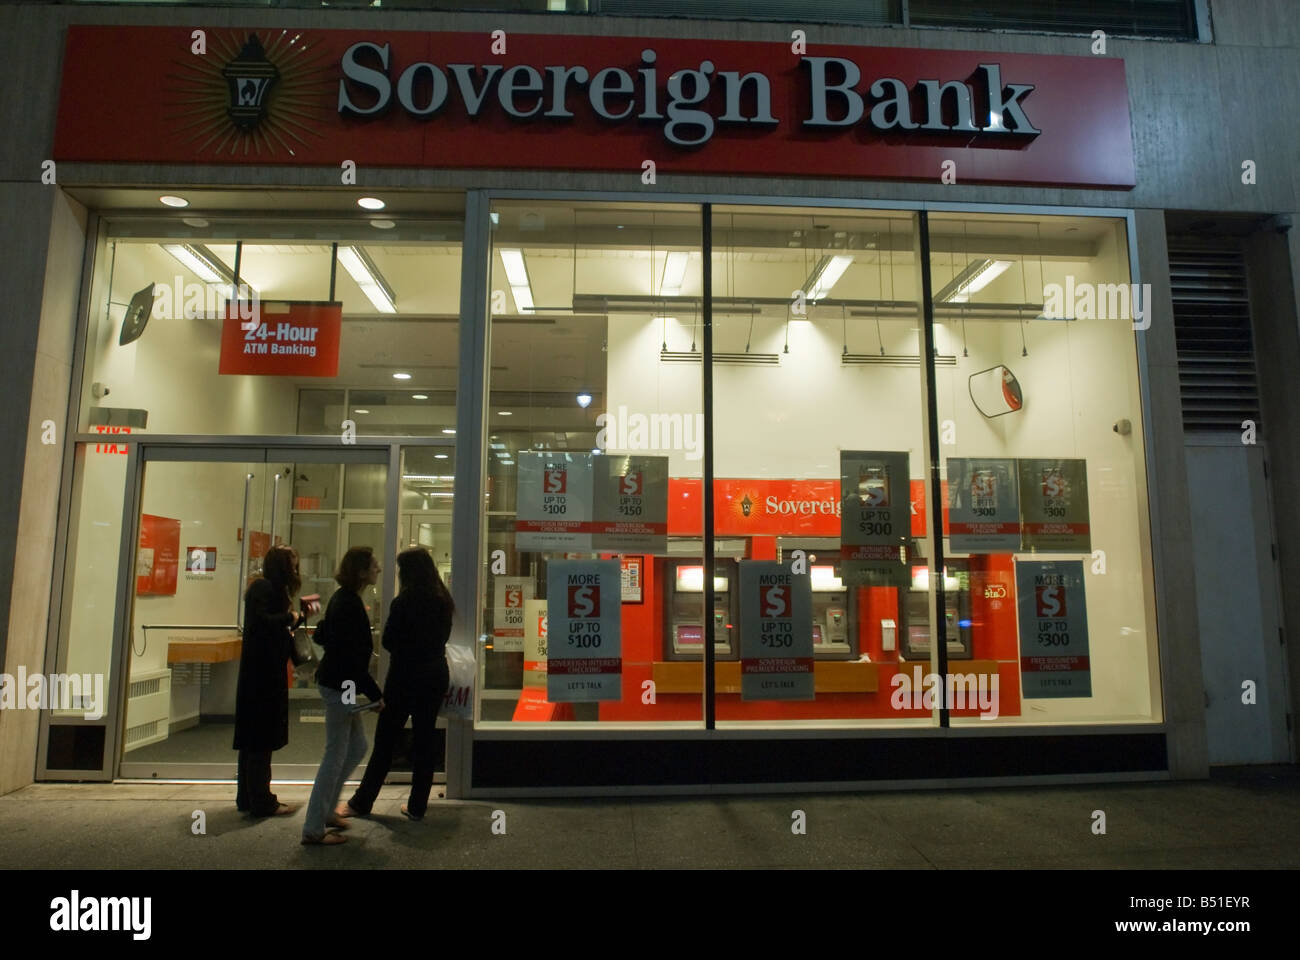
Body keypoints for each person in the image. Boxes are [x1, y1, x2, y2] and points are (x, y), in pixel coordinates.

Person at [340, 547, 453, 822]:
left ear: (409, 573)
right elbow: (443, 637)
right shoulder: (443, 600)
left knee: (386, 741)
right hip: (435, 674)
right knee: (425, 740)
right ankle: (417, 807)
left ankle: (362, 801)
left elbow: (389, 641)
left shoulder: (403, 603)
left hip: (405, 677)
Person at [301, 546, 384, 846]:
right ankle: (313, 827)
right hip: (341, 686)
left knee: (356, 746)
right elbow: (352, 658)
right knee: (336, 754)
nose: (379, 568)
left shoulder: (344, 600)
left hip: (341, 685)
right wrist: (376, 696)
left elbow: (323, 634)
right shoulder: (348, 604)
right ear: (361, 571)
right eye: (374, 565)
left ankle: (325, 813)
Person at [234, 544, 307, 817]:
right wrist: (291, 617)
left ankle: (249, 797)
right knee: (260, 740)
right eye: (293, 562)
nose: (296, 567)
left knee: (253, 741)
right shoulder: (264, 589)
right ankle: (261, 800)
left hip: (261, 673)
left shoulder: (265, 590)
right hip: (262, 676)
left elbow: (268, 624)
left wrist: (294, 620)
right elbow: (265, 623)